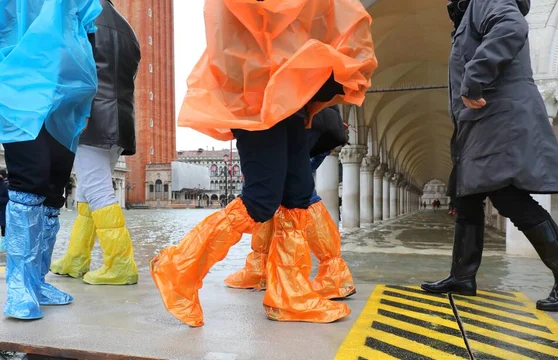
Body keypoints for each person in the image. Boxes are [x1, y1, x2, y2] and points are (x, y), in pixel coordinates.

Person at [151, 0, 376, 327]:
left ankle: (290, 294)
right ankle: (179, 268)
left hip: (291, 99)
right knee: (261, 201)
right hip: (257, 96)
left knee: (298, 197)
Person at [421, 0, 558, 311]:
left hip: (497, 117)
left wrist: (474, 80)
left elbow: (512, 27)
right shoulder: (467, 12)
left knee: (507, 195)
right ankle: (462, 276)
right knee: (466, 197)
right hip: (476, 123)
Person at [0, 0, 102, 320]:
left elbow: (87, 29)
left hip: (66, 88)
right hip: (16, 79)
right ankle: (19, 285)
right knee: (31, 174)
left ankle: (37, 280)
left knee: (55, 184)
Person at [51, 0, 141, 286]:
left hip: (91, 114)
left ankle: (121, 263)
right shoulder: (127, 28)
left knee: (98, 188)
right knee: (88, 192)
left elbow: (65, 63)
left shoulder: (80, 16)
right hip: (120, 117)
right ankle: (76, 259)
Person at [225, 107, 356, 300]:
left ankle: (332, 276)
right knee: (278, 194)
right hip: (298, 118)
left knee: (295, 195)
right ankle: (261, 268)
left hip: (294, 118)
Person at [0, 171, 8, 253]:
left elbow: (9, 199)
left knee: (4, 231)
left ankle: (3, 249)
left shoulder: (5, 187)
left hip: (3, 213)